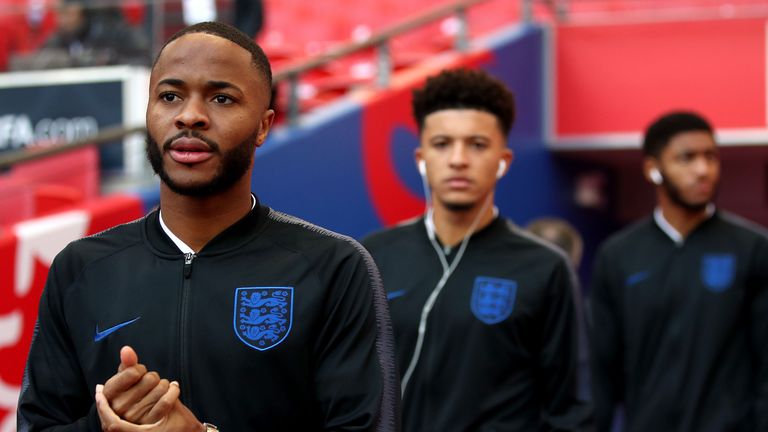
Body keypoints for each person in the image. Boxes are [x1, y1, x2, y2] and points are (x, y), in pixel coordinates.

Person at [17, 21, 399, 431]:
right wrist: (104, 425)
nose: (190, 116)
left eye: (221, 98)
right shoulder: (81, 268)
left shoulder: (333, 268)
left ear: (264, 126)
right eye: (169, 96)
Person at [362, 68, 592, 431]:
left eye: (477, 144)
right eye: (442, 144)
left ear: (504, 161)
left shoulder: (545, 267)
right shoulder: (370, 257)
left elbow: (569, 408)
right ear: (421, 158)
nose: (458, 159)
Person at [590, 111, 768, 432]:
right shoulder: (618, 255)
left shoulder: (753, 248)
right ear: (652, 169)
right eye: (687, 158)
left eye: (711, 157)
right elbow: (601, 370)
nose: (704, 170)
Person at [10, 0, 149, 70]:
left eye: (67, 13)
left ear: (84, 13)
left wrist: (109, 61)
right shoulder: (58, 38)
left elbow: (145, 61)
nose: (61, 20)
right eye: (58, 14)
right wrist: (71, 61)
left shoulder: (116, 32)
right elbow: (22, 63)